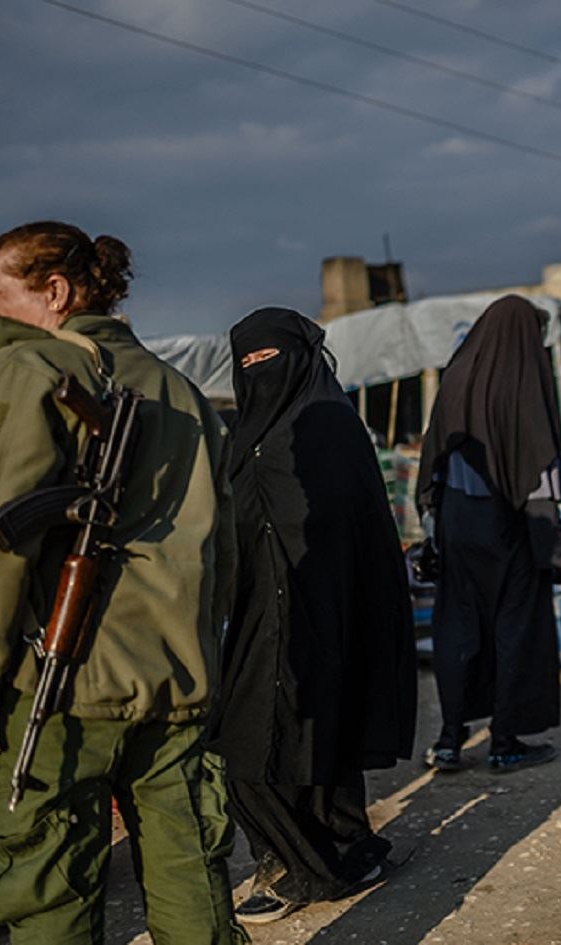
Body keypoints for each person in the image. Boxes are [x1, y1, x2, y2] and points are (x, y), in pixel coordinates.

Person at [0, 221, 244, 943]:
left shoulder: (22, 370)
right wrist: (199, 655)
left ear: (56, 290)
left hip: (57, 687)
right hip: (176, 677)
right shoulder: (182, 390)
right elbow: (221, 551)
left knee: (47, 894)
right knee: (192, 874)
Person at [209, 307, 416, 923]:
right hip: (253, 618)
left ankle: (311, 863)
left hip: (322, 613)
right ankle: (321, 851)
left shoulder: (332, 431)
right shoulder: (239, 440)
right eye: (244, 361)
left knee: (308, 738)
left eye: (267, 357)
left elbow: (360, 540)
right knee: (253, 745)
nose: (257, 372)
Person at [416, 295, 561, 773]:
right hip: (511, 524)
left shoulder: (457, 376)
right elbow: (538, 467)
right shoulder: (521, 381)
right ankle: (504, 743)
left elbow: (432, 463)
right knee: (514, 632)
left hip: (456, 525)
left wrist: (434, 532)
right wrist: (555, 547)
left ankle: (448, 740)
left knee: (460, 630)